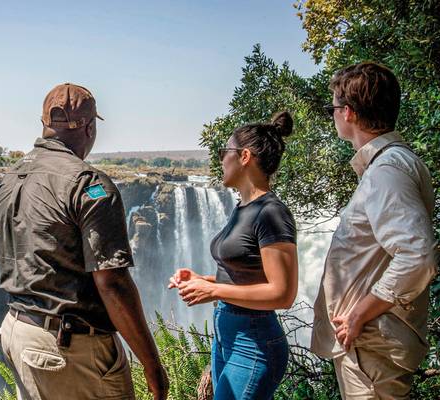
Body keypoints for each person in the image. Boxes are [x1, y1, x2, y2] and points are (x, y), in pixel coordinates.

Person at [0, 83, 168, 400]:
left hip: (17, 331)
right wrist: (152, 364)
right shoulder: (87, 183)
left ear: (44, 124)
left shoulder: (9, 178)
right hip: (67, 349)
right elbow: (112, 282)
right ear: (89, 128)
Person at [310, 62, 437, 399]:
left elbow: (417, 256)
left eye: (332, 108)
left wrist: (358, 314)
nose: (332, 115)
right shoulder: (391, 164)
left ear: (348, 113)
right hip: (372, 345)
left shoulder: (387, 169)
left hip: (372, 343)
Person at [168, 111, 299, 400]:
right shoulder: (244, 208)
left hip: (253, 342)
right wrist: (202, 279)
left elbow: (283, 294)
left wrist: (213, 290)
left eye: (223, 151)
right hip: (227, 336)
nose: (219, 159)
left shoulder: (271, 213)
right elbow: (248, 275)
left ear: (244, 156)